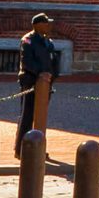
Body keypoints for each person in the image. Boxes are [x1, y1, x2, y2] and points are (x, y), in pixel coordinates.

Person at [16, 12, 63, 148]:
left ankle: (37, 147)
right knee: (27, 116)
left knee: (41, 116)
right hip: (30, 82)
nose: (49, 26)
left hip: (46, 84)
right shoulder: (28, 40)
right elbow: (27, 62)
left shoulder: (48, 41)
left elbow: (54, 60)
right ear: (37, 25)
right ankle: (21, 148)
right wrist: (40, 74)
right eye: (46, 23)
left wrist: (52, 76)